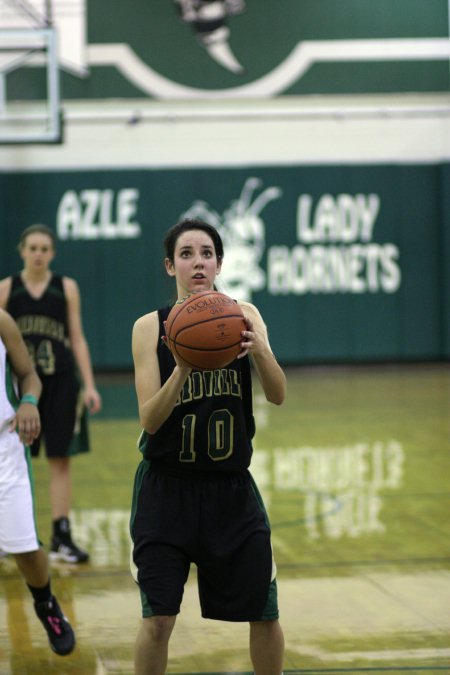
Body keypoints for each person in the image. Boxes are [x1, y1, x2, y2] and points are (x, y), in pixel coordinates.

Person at [130, 218, 286, 675]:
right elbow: (150, 420)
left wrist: (260, 350)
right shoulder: (148, 328)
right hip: (166, 490)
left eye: (206, 253)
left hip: (231, 492)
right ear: (169, 266)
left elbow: (277, 394)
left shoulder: (245, 314)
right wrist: (182, 367)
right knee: (158, 620)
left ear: (219, 262)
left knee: (264, 612)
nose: (197, 262)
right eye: (186, 254)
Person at [0, 224, 102, 564]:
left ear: (52, 253)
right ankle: (10, 533)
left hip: (60, 383)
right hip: (20, 387)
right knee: (12, 462)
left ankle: (61, 534)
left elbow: (77, 336)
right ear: (22, 251)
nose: (39, 254)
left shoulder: (66, 288)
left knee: (60, 460)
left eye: (45, 248)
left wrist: (88, 384)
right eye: (33, 248)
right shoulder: (6, 289)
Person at [0, 308, 75, 655]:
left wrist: (29, 401)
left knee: (26, 549)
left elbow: (29, 375)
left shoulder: (1, 320)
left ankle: (46, 606)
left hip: (5, 446)